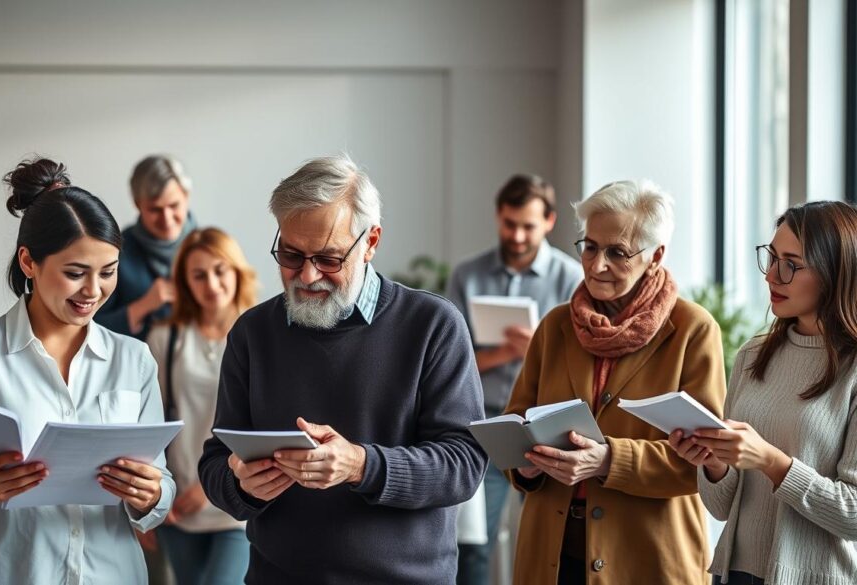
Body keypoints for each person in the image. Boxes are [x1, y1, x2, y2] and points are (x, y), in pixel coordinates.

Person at [196, 155, 488, 584]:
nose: (308, 275)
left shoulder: (433, 325)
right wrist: (241, 485)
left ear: (371, 242)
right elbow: (216, 461)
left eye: (329, 259)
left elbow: (463, 465)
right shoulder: (252, 333)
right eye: (291, 255)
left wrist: (361, 465)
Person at [0, 158, 175, 585]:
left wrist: (152, 493)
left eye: (107, 272)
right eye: (75, 273)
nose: (93, 291)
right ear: (29, 262)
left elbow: (160, 485)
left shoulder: (135, 359)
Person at [504, 180, 726, 585]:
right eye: (590, 246)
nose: (596, 264)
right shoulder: (555, 326)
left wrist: (608, 460)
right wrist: (525, 465)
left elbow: (704, 458)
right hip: (551, 554)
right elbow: (515, 422)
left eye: (617, 252)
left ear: (656, 256)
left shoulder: (692, 330)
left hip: (649, 557)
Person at [671, 201, 857, 585]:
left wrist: (772, 462)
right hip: (735, 572)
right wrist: (712, 463)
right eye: (771, 257)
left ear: (836, 273)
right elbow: (721, 508)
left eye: (791, 263)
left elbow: (854, 514)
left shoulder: (852, 369)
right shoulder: (753, 355)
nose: (772, 275)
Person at [446, 173, 581, 585]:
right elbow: (450, 362)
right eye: (510, 224)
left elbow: (582, 362)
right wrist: (504, 352)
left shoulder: (572, 277)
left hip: (548, 424)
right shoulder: (467, 274)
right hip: (485, 422)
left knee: (549, 537)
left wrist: (538, 350)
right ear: (498, 218)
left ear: (549, 221)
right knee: (472, 540)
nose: (518, 235)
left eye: (528, 226)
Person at [145, 227, 257, 585]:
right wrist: (152, 500)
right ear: (185, 282)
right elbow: (149, 423)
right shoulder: (166, 338)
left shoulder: (260, 335)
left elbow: (266, 423)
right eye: (198, 274)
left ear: (236, 271)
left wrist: (212, 484)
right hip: (179, 508)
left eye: (219, 270)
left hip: (237, 504)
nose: (211, 283)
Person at [95, 155, 197, 340]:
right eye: (155, 209)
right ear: (137, 204)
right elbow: (90, 327)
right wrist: (142, 307)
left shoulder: (209, 247)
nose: (166, 219)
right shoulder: (116, 252)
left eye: (174, 205)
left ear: (186, 196)